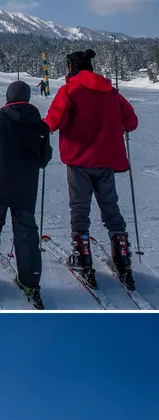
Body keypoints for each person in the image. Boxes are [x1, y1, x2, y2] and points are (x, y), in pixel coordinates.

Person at [45, 48, 139, 287]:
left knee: (80, 208)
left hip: (79, 159)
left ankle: (82, 257)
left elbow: (53, 121)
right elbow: (131, 120)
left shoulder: (70, 90)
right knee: (111, 207)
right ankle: (123, 257)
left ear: (71, 68)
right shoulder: (110, 91)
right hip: (106, 159)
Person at [0, 81, 53, 305]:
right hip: (26, 187)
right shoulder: (41, 127)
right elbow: (44, 159)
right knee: (26, 231)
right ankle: (29, 280)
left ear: (8, 98)